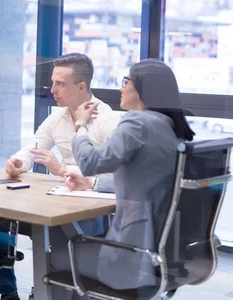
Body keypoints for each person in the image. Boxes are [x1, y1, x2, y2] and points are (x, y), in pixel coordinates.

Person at [55, 59, 195, 298]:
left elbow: (90, 163)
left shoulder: (137, 122)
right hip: (158, 252)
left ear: (141, 88)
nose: (121, 88)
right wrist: (94, 183)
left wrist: (81, 126)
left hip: (131, 255)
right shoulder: (169, 126)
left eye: (125, 81)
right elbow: (147, 180)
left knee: (57, 254)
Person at [0, 53, 121, 300]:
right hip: (61, 197)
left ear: (81, 86)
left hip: (92, 205)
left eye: (60, 84)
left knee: (60, 240)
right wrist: (19, 162)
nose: (52, 90)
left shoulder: (108, 120)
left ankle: (57, 288)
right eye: (52, 82)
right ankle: (23, 290)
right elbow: (34, 146)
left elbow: (112, 177)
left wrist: (63, 171)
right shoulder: (57, 117)